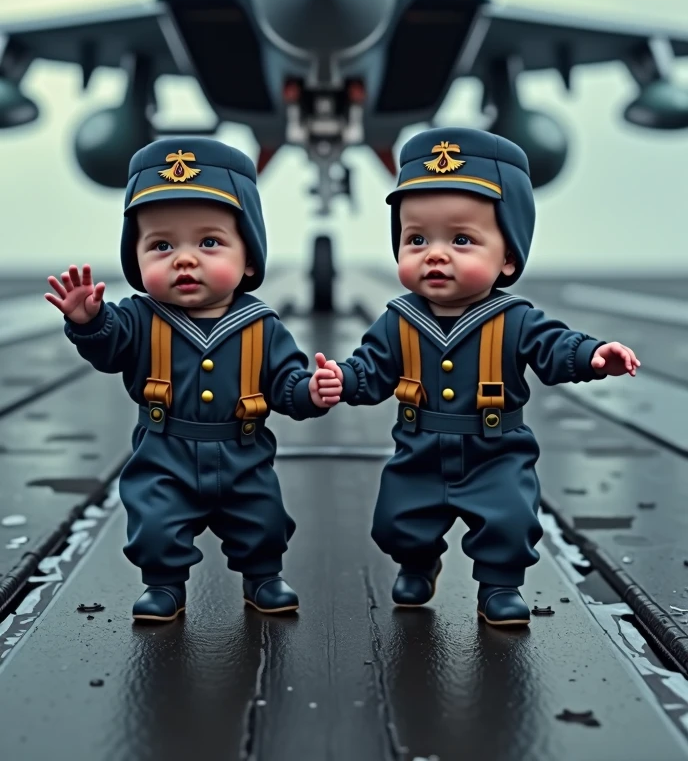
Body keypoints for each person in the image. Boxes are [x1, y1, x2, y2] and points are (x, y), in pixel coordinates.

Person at [315, 127, 639, 626]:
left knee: (508, 521)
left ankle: (499, 586)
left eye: (461, 239)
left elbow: (555, 345)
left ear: (508, 256)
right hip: (419, 450)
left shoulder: (516, 319)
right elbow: (373, 369)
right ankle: (417, 562)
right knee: (398, 521)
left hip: (495, 451)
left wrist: (592, 355)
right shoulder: (398, 320)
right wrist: (344, 379)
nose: (435, 254)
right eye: (416, 239)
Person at [45, 138, 342, 622]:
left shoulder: (262, 326)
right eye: (161, 245)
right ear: (136, 262)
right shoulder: (138, 318)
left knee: (262, 522)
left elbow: (285, 383)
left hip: (242, 454)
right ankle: (164, 586)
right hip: (166, 454)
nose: (184, 259)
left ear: (248, 259)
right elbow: (109, 346)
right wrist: (88, 322)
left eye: (209, 242)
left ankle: (263, 577)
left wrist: (310, 391)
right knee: (156, 525)